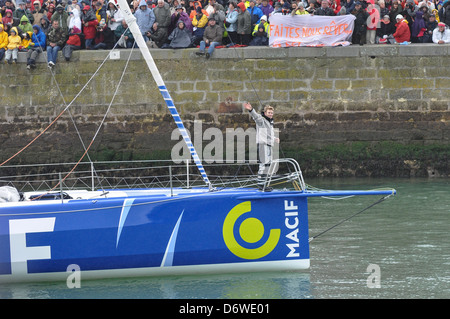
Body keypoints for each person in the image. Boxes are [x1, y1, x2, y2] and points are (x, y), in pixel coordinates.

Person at [243, 102, 279, 191]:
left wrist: (274, 138)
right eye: (269, 113)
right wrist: (251, 110)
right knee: (264, 165)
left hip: (269, 145)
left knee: (268, 165)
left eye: (271, 113)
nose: (270, 114)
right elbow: (256, 117)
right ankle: (261, 185)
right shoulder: (262, 120)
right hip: (263, 145)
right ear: (265, 113)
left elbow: (268, 134)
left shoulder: (270, 122)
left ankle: (264, 185)